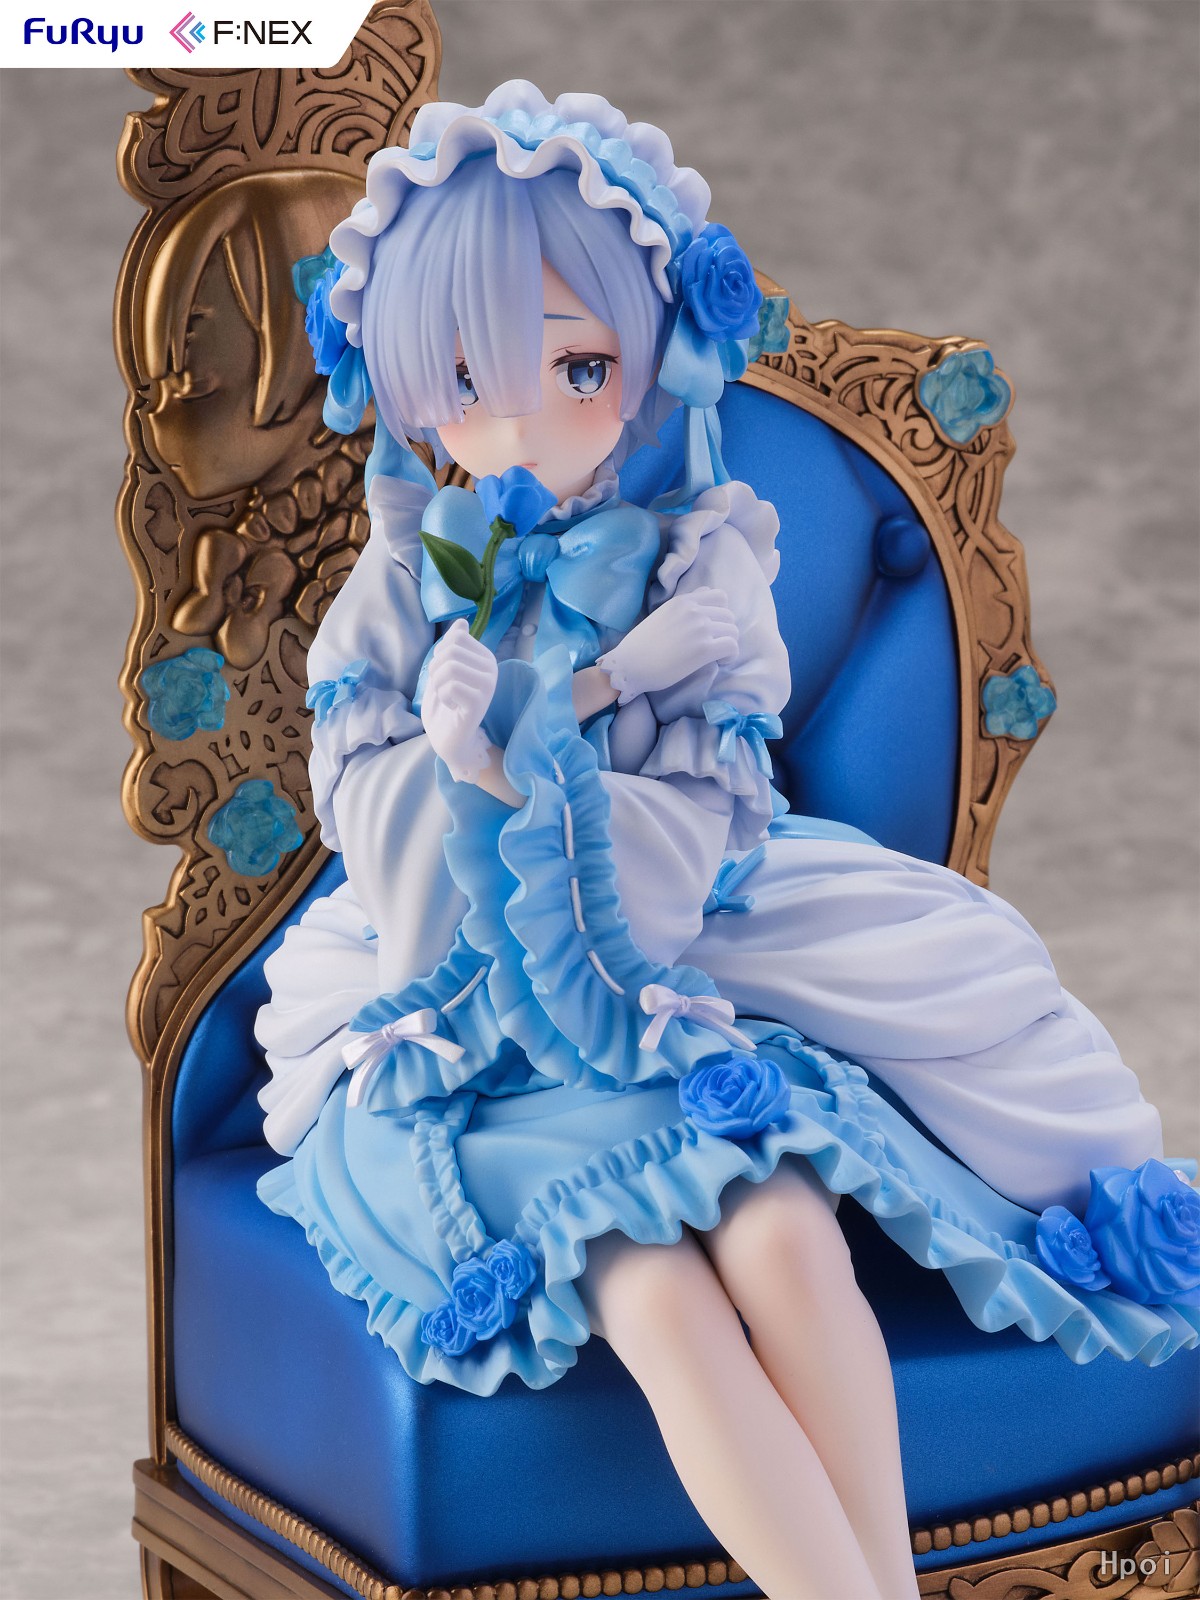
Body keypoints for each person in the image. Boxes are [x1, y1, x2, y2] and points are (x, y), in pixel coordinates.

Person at [254, 81, 1198, 1600]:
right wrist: (496, 744)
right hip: (473, 1041)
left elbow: (686, 847)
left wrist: (546, 726)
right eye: (469, 380)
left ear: (647, 360)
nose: (523, 425)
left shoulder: (700, 568)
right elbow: (406, 885)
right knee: (654, 1294)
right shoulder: (398, 600)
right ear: (413, 393)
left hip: (658, 985)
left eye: (578, 365)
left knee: (788, 1243)